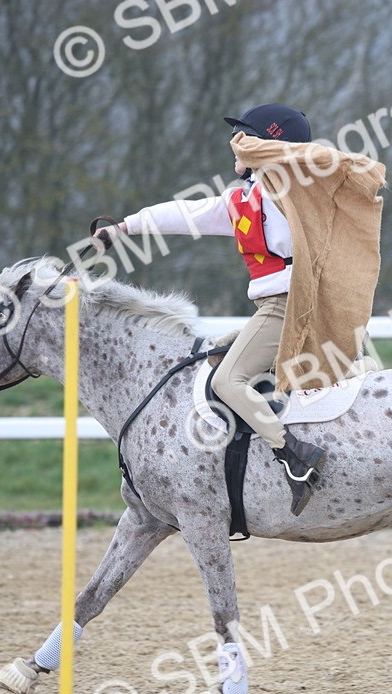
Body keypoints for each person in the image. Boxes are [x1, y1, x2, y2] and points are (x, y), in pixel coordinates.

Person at [96, 103, 327, 516]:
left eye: (243, 136)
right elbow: (185, 214)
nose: (233, 144)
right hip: (275, 306)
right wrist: (126, 227)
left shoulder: (294, 192)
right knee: (216, 357)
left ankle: (293, 455)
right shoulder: (246, 198)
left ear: (267, 148)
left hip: (292, 305)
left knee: (227, 383)